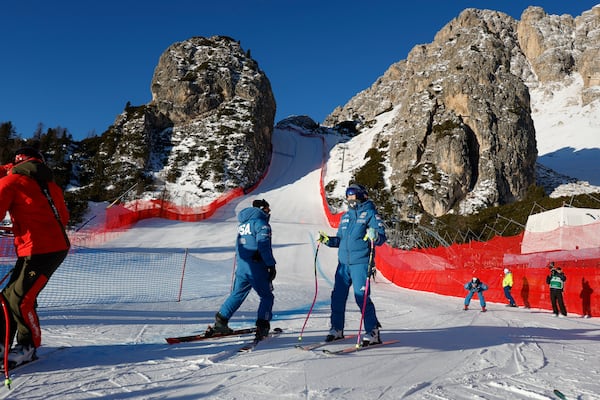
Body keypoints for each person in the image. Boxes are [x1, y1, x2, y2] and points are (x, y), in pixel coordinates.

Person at [0, 147, 70, 367]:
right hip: (50, 247)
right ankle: (4, 343)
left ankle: (28, 347)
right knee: (10, 295)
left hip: (39, 250)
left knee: (20, 298)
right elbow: (64, 218)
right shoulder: (50, 185)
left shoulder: (11, 182)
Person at [317, 183, 387, 346]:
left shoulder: (370, 214)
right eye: (348, 196)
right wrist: (328, 240)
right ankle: (337, 329)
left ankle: (373, 331)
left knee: (361, 297)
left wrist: (374, 235)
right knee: (337, 297)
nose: (350, 200)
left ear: (362, 196)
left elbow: (381, 237)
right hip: (343, 264)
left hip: (361, 263)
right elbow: (340, 240)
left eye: (353, 196)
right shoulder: (346, 217)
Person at [211, 199, 276, 341]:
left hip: (242, 267)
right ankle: (262, 326)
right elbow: (264, 245)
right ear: (261, 209)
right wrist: (271, 264)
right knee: (267, 296)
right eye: (267, 209)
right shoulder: (261, 224)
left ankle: (221, 322)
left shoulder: (243, 224)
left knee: (237, 294)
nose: (268, 212)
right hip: (256, 267)